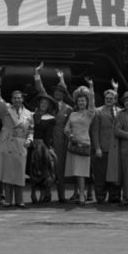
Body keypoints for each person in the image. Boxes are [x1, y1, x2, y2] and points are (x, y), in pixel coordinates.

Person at [0, 73, 33, 208]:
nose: (17, 100)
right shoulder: (5, 109)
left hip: (21, 145)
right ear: (11, 99)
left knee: (19, 174)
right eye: (15, 98)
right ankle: (8, 200)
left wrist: (29, 140)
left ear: (22, 99)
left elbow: (31, 130)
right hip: (8, 143)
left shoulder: (29, 113)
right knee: (8, 174)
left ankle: (20, 200)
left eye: (19, 98)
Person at [35, 63, 72, 202]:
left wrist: (62, 79)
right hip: (47, 140)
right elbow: (41, 90)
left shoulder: (69, 109)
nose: (57, 93)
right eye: (55, 91)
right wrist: (37, 74)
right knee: (45, 168)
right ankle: (46, 194)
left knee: (60, 169)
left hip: (61, 142)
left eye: (60, 91)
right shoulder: (49, 105)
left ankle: (62, 195)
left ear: (63, 94)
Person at [64, 80, 95, 206]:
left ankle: (82, 195)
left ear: (86, 102)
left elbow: (93, 102)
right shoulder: (72, 114)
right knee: (76, 172)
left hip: (84, 144)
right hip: (73, 145)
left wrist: (91, 87)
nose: (81, 102)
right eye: (79, 100)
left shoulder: (89, 113)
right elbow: (66, 129)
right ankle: (77, 193)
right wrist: (71, 135)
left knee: (82, 172)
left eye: (83, 100)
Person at [91, 82, 121, 204]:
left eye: (111, 98)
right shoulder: (98, 112)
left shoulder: (120, 112)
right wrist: (97, 147)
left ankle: (115, 195)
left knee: (115, 173)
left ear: (115, 100)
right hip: (102, 147)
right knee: (100, 174)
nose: (108, 100)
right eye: (106, 98)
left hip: (116, 148)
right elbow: (94, 131)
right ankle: (100, 195)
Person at [27, 91, 57, 204]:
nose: (44, 105)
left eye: (46, 103)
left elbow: (48, 135)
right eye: (42, 102)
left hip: (43, 144)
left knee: (53, 161)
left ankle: (46, 191)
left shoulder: (51, 118)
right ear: (39, 103)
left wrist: (47, 147)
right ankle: (33, 191)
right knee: (29, 164)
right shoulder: (31, 115)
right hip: (31, 143)